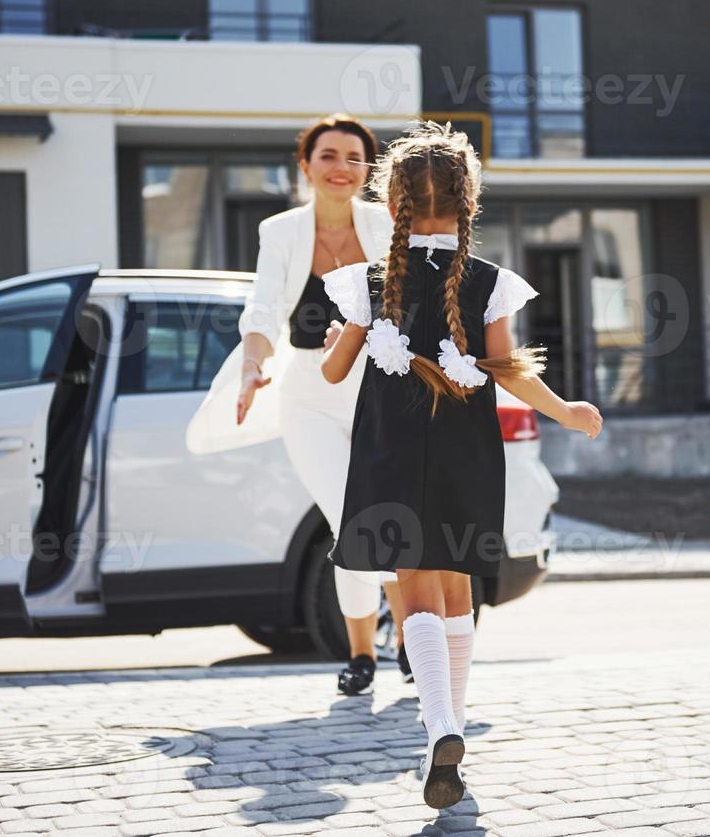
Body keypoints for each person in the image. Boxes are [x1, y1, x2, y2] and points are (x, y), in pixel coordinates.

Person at [319, 122, 603, 809]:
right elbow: (509, 373)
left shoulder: (368, 282)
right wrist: (567, 410)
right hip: (466, 455)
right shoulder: (490, 283)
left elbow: (332, 374)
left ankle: (440, 726)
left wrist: (338, 339)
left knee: (407, 587)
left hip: (391, 454)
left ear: (392, 205)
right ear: (469, 204)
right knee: (454, 591)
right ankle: (450, 732)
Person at [186, 113, 409, 695]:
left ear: (369, 168)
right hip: (308, 396)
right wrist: (254, 365)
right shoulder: (281, 231)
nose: (342, 168)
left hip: (379, 391)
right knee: (350, 518)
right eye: (329, 156)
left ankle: (407, 642)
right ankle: (364, 651)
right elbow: (262, 311)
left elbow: (410, 309)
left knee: (385, 518)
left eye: (355, 157)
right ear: (306, 165)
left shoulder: (388, 225)